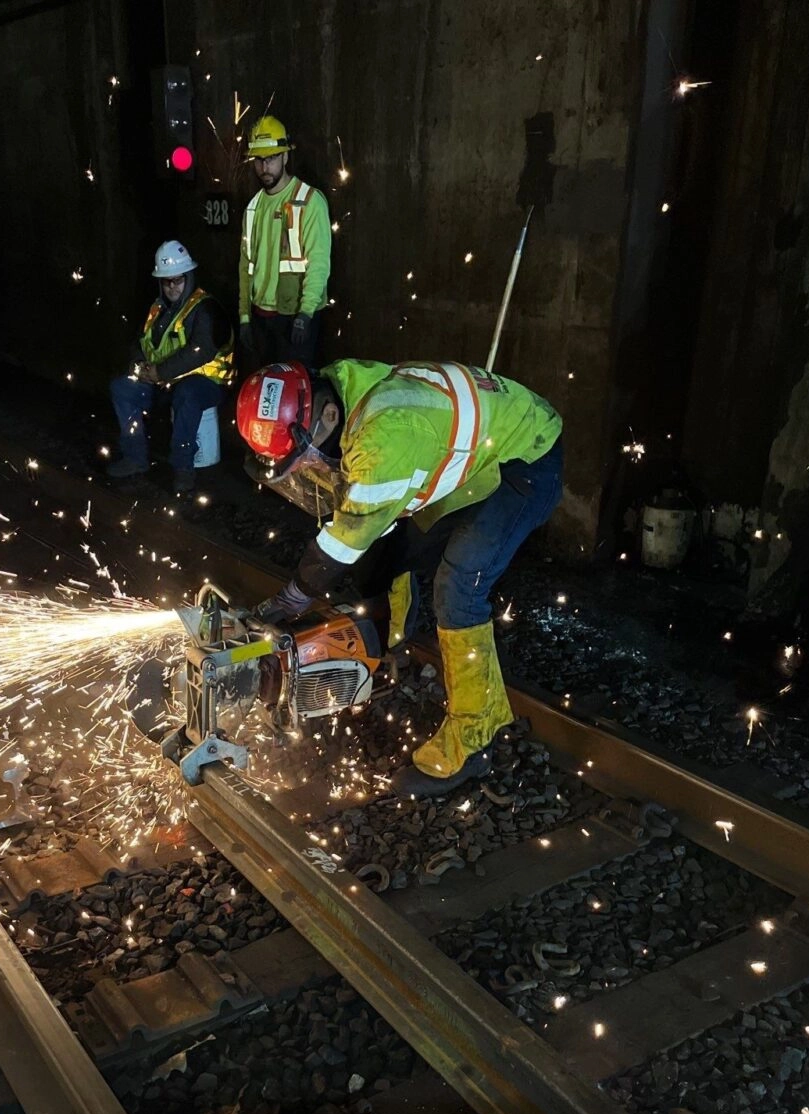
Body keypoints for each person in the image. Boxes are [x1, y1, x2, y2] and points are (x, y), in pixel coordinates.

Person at [236, 359, 563, 796]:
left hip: (527, 457)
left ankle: (474, 739)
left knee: (459, 585)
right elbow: (377, 512)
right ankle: (390, 635)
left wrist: (296, 595)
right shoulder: (343, 386)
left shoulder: (386, 436)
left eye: (298, 458)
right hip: (474, 444)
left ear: (326, 417)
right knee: (400, 532)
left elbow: (350, 536)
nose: (299, 469)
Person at [107, 240, 234, 496]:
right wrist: (138, 365)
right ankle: (135, 457)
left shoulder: (205, 309)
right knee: (122, 388)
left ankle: (183, 468)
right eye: (167, 281)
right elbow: (142, 343)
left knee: (186, 394)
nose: (172, 287)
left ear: (188, 277)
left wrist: (160, 372)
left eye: (178, 280)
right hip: (165, 381)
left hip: (207, 384)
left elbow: (201, 349)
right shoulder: (158, 309)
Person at [239, 116, 331, 367]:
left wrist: (305, 314)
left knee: (295, 396)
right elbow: (246, 266)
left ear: (285, 157)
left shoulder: (309, 201)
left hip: (294, 317)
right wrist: (245, 317)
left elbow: (318, 262)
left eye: (271, 158)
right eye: (259, 159)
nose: (264, 166)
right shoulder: (253, 207)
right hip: (260, 317)